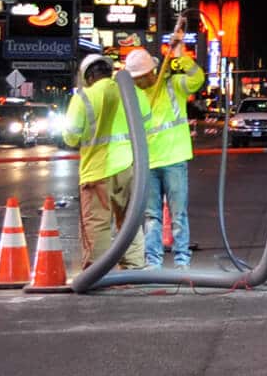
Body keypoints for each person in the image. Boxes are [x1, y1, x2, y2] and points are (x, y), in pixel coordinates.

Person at [131, 25, 206, 269]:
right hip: (148, 163)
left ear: (150, 72)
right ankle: (154, 262)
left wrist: (179, 54)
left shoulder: (173, 85)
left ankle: (182, 261)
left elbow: (197, 78)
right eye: (135, 79)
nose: (138, 82)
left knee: (178, 216)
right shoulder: (135, 93)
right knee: (151, 216)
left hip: (174, 158)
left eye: (140, 77)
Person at [60, 52, 141, 272]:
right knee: (130, 220)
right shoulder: (129, 91)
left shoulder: (83, 97)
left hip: (97, 170)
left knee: (97, 224)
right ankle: (134, 269)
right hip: (128, 167)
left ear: (88, 76)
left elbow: (71, 136)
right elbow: (147, 122)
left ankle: (98, 272)